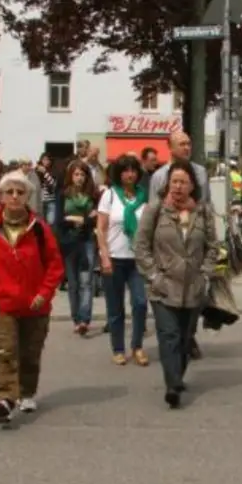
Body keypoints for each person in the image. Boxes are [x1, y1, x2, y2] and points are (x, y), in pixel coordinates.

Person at [0, 170, 65, 425]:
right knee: (5, 351)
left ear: (27, 197)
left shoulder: (40, 230)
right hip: (3, 304)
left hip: (35, 306)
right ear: (1, 196)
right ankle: (3, 399)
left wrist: (44, 294)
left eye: (20, 192)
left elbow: (55, 265)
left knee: (30, 353)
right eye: (9, 192)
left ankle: (26, 392)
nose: (14, 196)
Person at [134, 162, 219, 407]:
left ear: (192, 186)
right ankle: (172, 386)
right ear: (167, 184)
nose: (178, 187)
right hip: (163, 286)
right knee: (168, 335)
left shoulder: (203, 211)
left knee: (185, 337)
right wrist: (153, 276)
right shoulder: (155, 209)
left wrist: (205, 274)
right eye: (174, 182)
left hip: (193, 287)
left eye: (183, 182)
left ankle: (177, 375)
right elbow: (141, 246)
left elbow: (213, 246)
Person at [148, 130, 211, 358]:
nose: (187, 147)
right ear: (170, 147)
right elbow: (152, 211)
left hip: (192, 237)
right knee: (169, 294)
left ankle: (188, 335)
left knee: (194, 295)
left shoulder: (200, 173)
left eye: (188, 143)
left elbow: (206, 205)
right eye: (182, 144)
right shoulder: (159, 176)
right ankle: (173, 340)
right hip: (168, 241)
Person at [98, 154, 151, 367]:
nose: (130, 174)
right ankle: (118, 349)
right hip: (114, 258)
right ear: (119, 174)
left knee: (140, 303)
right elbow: (101, 229)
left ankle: (137, 346)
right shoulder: (110, 195)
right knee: (115, 307)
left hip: (137, 259)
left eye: (133, 170)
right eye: (126, 170)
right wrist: (104, 256)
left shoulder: (143, 196)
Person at [58, 161, 98, 336]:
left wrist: (80, 219)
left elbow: (96, 218)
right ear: (71, 176)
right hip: (69, 242)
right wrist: (78, 219)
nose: (79, 178)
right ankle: (76, 318)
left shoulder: (93, 196)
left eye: (82, 175)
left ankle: (84, 320)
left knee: (86, 282)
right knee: (73, 283)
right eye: (76, 174)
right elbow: (59, 220)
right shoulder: (63, 195)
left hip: (87, 240)